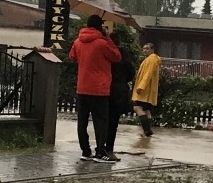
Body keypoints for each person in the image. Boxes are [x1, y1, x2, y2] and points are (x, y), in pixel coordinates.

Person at [69, 14, 121, 162]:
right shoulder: (102, 43)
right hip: (99, 89)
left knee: (82, 121)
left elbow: (72, 57)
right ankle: (100, 152)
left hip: (82, 87)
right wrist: (108, 37)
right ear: (99, 26)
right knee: (101, 121)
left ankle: (85, 151)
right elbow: (116, 56)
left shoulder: (78, 41)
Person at [100, 24, 138, 161]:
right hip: (118, 91)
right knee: (113, 122)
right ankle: (109, 149)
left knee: (102, 120)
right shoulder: (123, 53)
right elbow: (131, 72)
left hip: (102, 88)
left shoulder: (102, 50)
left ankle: (100, 148)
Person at [133, 37, 162, 137]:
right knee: (146, 110)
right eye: (144, 48)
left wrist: (141, 86)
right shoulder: (149, 59)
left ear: (152, 49)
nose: (145, 50)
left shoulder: (152, 59)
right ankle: (147, 130)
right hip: (148, 90)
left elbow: (148, 74)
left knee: (137, 107)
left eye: (147, 48)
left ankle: (147, 130)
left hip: (145, 90)